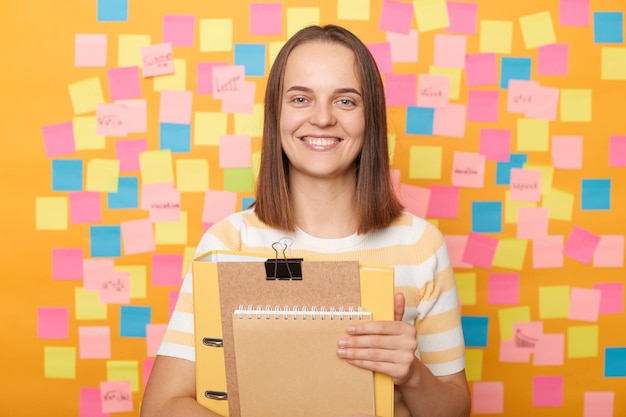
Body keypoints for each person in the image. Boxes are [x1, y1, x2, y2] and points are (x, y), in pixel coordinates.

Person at [141, 24, 470, 417]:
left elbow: (455, 408)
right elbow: (160, 406)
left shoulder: (421, 245)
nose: (323, 118)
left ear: (371, 118)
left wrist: (411, 374)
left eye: (346, 101)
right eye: (300, 98)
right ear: (275, 115)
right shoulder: (228, 244)